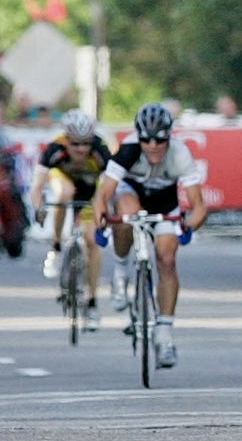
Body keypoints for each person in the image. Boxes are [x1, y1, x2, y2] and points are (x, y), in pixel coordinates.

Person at [92, 103, 207, 368]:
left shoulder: (180, 153)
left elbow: (199, 207)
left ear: (169, 137)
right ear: (138, 137)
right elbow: (103, 195)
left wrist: (188, 228)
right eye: (146, 139)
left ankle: (164, 334)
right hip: (131, 193)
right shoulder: (129, 149)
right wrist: (101, 223)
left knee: (167, 258)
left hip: (165, 202)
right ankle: (121, 271)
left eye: (160, 140)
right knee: (127, 213)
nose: (153, 145)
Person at [27, 109, 112, 329]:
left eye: (86, 143)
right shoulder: (54, 148)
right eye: (75, 144)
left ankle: (92, 303)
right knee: (64, 194)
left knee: (92, 242)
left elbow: (110, 187)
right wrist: (38, 208)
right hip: (63, 181)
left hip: (90, 191)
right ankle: (55, 247)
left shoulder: (100, 150)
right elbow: (36, 187)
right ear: (66, 140)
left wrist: (103, 211)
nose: (81, 149)